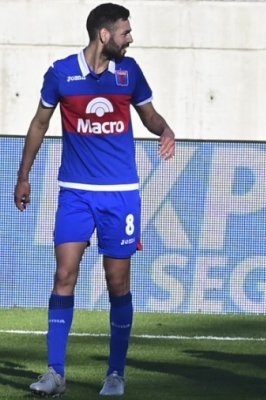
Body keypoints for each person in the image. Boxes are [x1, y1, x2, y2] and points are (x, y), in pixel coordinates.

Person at [14, 3, 176, 397]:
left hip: (120, 196)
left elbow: (149, 115)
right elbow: (39, 123)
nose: (130, 38)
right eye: (125, 31)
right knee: (63, 275)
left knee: (117, 282)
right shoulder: (61, 73)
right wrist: (23, 175)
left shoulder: (129, 73)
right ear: (104, 34)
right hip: (75, 192)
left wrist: (165, 129)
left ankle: (115, 374)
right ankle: (55, 373)